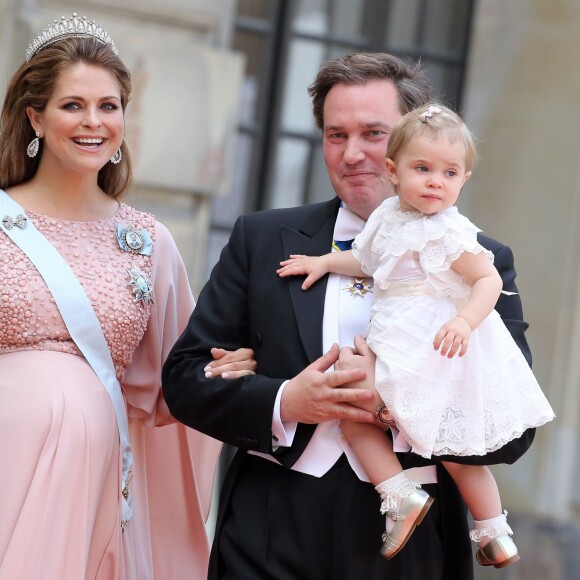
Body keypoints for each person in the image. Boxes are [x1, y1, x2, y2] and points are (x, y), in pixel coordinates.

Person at [162, 53, 537, 580]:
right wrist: (284, 399)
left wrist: (391, 405)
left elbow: (515, 433)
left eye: (372, 133)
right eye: (336, 135)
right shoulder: (263, 239)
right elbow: (184, 380)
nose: (352, 153)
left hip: (415, 552)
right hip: (269, 529)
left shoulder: (478, 258)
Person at [0, 13, 258, 580]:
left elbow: (170, 387)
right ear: (34, 117)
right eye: (72, 105)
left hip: (95, 485)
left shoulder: (147, 243)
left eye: (108, 105)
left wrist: (221, 376)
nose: (93, 122)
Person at [277, 102, 555, 568]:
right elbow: (366, 260)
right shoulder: (389, 217)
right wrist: (324, 262)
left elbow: (487, 280)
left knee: (450, 448)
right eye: (422, 169)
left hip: (432, 346)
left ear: (464, 180)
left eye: (449, 173)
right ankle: (423, 504)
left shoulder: (449, 233)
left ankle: (484, 524)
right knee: (371, 422)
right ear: (393, 170)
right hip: (397, 335)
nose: (434, 182)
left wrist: (464, 321)